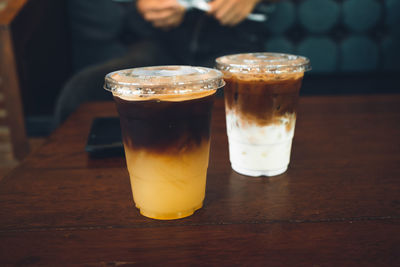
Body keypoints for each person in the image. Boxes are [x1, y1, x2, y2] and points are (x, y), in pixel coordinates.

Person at [54, 0, 274, 125]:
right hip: (158, 43)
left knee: (229, 98)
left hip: (233, 46)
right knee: (85, 89)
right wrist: (142, 6)